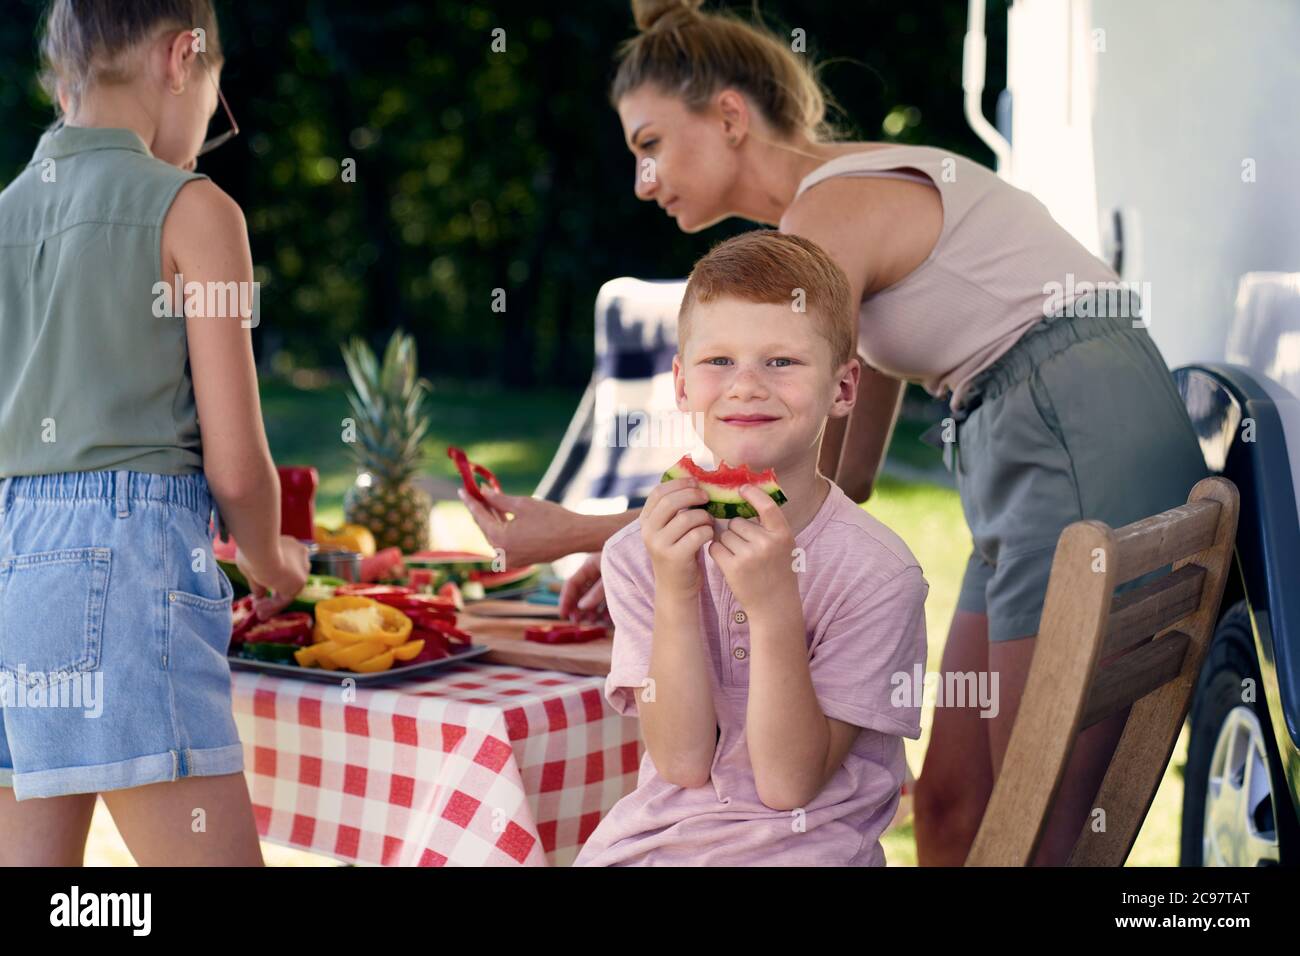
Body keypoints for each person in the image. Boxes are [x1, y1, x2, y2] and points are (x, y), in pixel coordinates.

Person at [461, 0, 1209, 864]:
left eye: (650, 144)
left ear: (730, 117)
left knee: (1037, 812)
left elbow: (764, 490)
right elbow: (829, 486)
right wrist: (644, 553)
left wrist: (582, 531)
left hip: (1067, 419)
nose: (644, 179)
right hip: (1020, 429)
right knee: (956, 800)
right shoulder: (831, 220)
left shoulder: (825, 218)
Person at [0, 0, 309, 866]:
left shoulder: (5, 214)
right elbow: (239, 465)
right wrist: (272, 558)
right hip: (125, 563)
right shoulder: (196, 211)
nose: (210, 126)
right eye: (217, 98)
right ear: (183, 57)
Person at [572, 230, 927, 866]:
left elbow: (789, 784)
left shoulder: (878, 575)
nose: (745, 386)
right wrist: (676, 588)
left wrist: (773, 609)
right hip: (657, 847)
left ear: (845, 389)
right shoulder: (636, 554)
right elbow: (681, 763)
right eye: (719, 362)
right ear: (681, 384)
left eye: (781, 362)